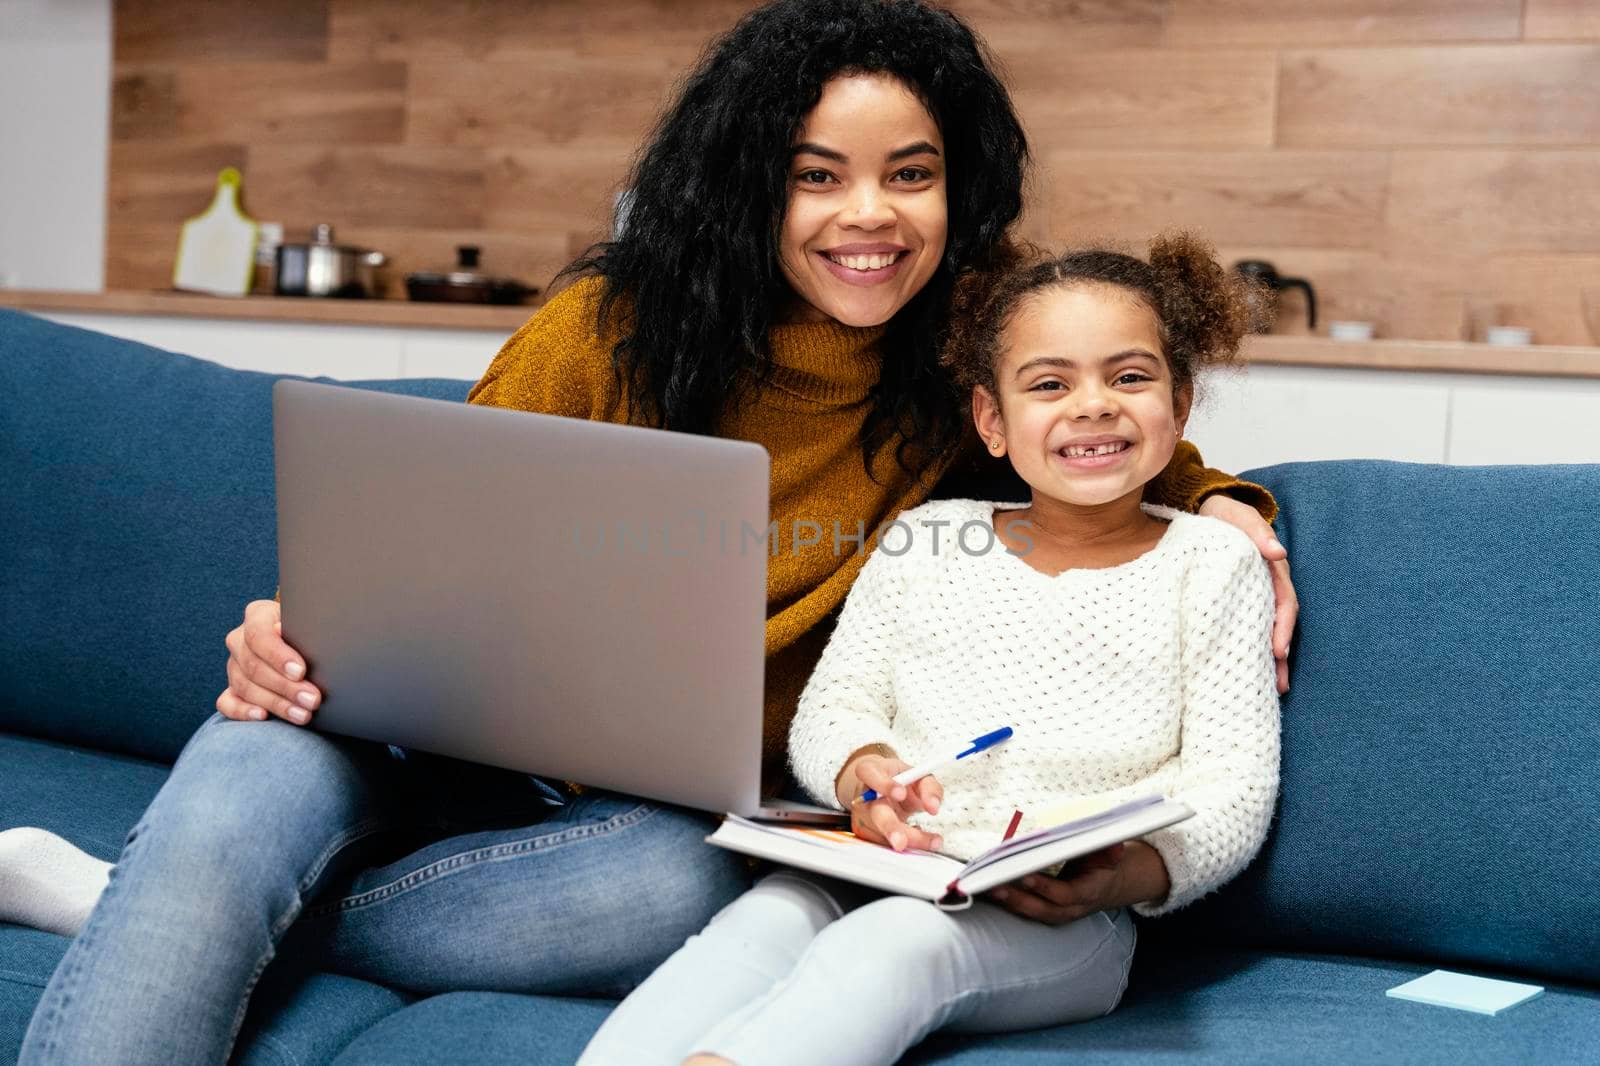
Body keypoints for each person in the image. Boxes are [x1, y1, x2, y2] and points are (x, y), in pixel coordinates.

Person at [6, 2, 1291, 1063]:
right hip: (418, 723)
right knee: (244, 775)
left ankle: (160, 905)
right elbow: (428, 515)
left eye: (912, 175)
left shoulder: (965, 367)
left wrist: (1230, 503)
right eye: (815, 176)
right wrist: (292, 629)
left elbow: (1114, 432)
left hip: (639, 823)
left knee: (674, 890)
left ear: (961, 190)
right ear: (751, 187)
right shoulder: (613, 327)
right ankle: (190, 888)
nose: (870, 216)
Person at [577, 233, 1281, 1066]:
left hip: (1071, 928)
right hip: (886, 867)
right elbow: (835, 709)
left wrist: (1130, 876)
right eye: (1048, 384)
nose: (1093, 405)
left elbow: (1234, 788)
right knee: (761, 921)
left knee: (894, 948)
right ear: (991, 419)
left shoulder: (1211, 562)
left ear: (1182, 404)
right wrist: (859, 772)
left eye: (1129, 377)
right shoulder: (926, 540)